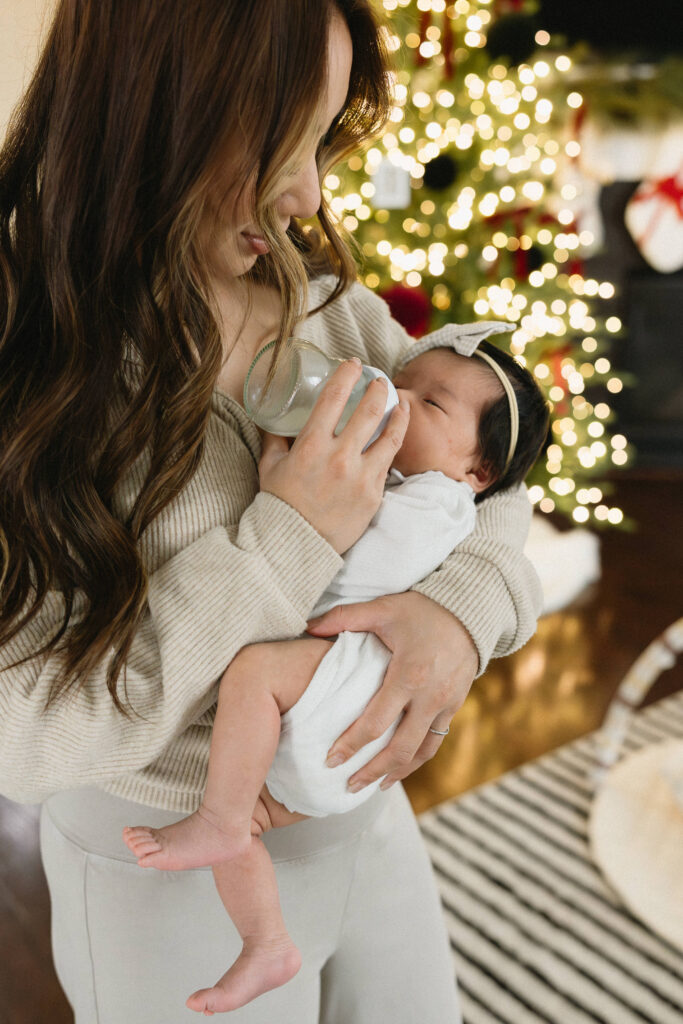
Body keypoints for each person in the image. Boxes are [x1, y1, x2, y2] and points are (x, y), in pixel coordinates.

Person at [0, 2, 544, 1021]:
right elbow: (21, 733)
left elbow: (491, 470)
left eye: (323, 138)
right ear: (149, 111)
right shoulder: (27, 350)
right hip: (162, 864)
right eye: (275, 145)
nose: (308, 196)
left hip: (360, 813)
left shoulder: (313, 295)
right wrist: (281, 546)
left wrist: (460, 615)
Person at [123, 330, 550, 1015]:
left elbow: (347, 579)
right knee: (246, 818)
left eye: (429, 403)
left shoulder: (431, 502)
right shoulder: (416, 485)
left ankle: (222, 825)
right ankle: (265, 942)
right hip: (341, 755)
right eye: (399, 378)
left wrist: (292, 505)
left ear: (478, 473)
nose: (393, 395)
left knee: (255, 675)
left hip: (347, 698)